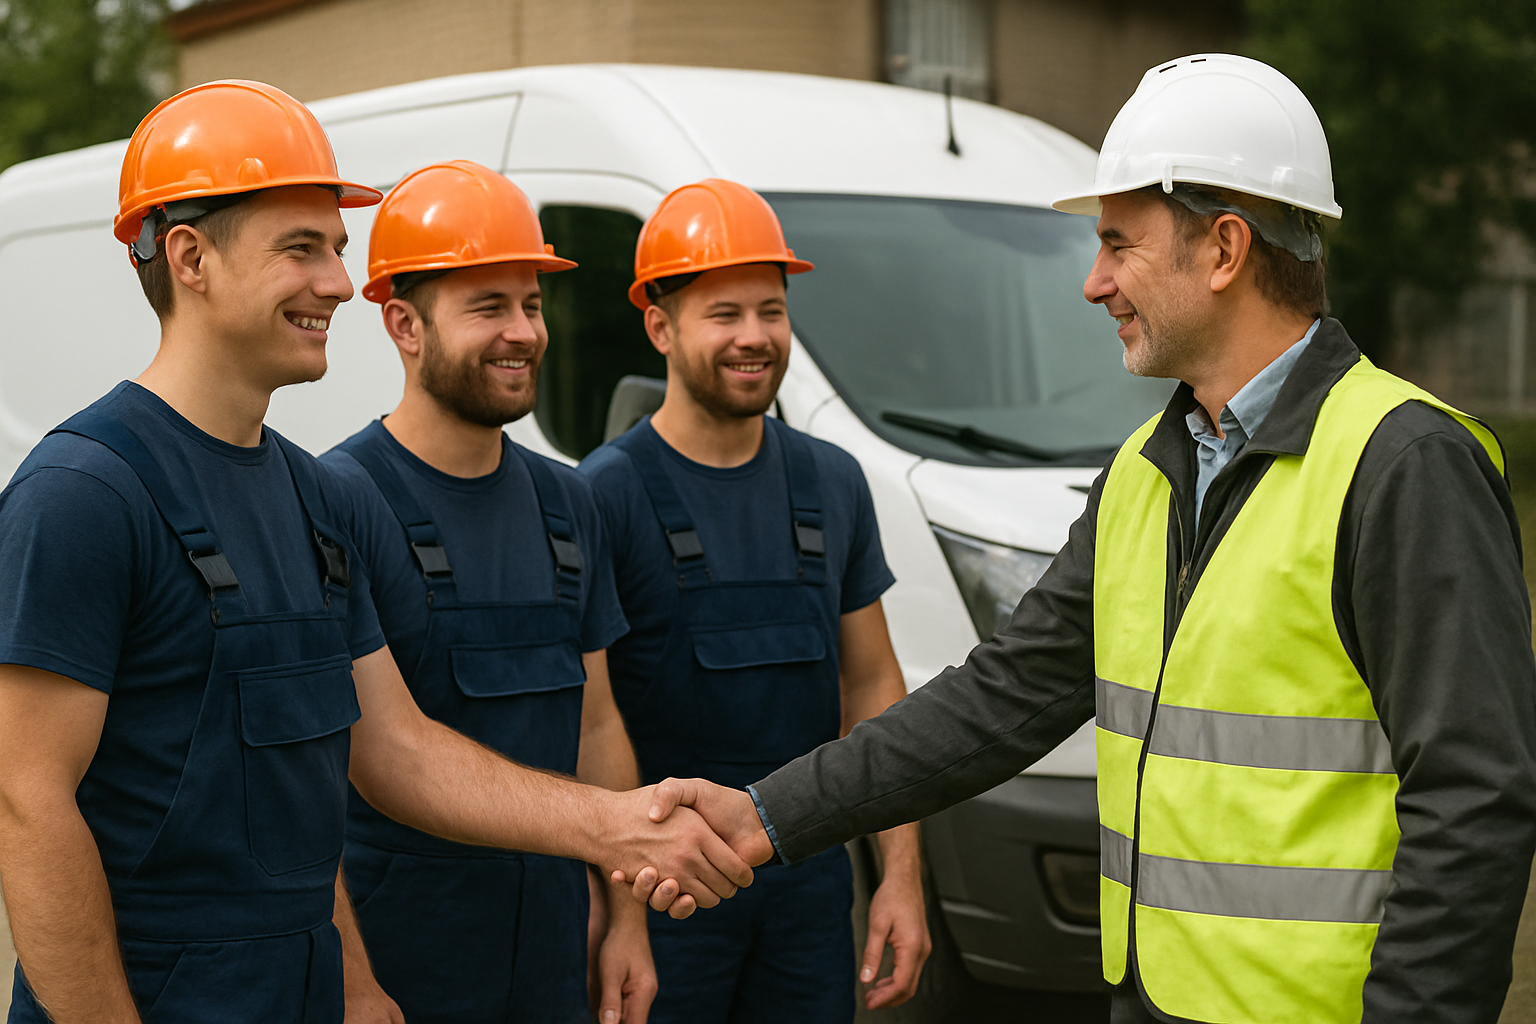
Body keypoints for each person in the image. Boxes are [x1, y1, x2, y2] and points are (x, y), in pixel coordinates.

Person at [638, 54, 1536, 1024]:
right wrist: (764, 815)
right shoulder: (1146, 471)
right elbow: (999, 698)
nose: (1094, 282)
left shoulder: (1403, 464)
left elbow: (1473, 805)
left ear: (1225, 249)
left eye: (1117, 244)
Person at [0, 82, 749, 1024]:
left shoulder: (314, 497)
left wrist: (613, 825)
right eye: (300, 249)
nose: (339, 284)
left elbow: (392, 750)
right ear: (189, 257)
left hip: (302, 983)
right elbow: (26, 803)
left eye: (336, 249)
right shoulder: (84, 493)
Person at [579, 178, 931, 1023]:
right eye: (724, 314)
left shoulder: (833, 482)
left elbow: (873, 688)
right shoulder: (602, 497)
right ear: (660, 327)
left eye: (771, 311)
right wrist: (620, 916)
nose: (754, 336)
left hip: (808, 891)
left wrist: (900, 877)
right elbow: (590, 724)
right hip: (666, 897)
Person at [320, 160, 653, 1024]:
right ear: (404, 324)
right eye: (488, 307)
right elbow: (308, 777)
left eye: (532, 305)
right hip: (403, 951)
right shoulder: (336, 501)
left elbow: (597, 724)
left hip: (553, 945)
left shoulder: (570, 501)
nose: (523, 332)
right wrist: (352, 983)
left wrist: (626, 920)